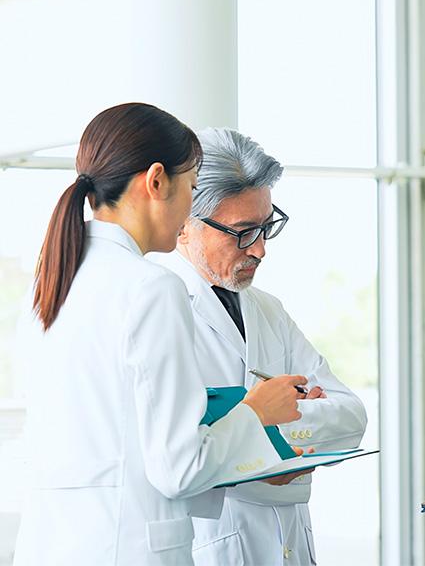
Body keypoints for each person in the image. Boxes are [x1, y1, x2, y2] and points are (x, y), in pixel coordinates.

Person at [14, 103, 307, 566]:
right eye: (191, 187)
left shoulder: (50, 282)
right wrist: (255, 412)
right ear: (156, 181)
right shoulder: (150, 286)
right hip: (130, 550)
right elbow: (180, 469)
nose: (191, 208)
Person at [149, 127, 367, 566]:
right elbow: (178, 458)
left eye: (267, 227)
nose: (261, 250)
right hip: (213, 544)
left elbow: (350, 415)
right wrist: (283, 425)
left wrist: (253, 430)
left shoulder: (267, 309)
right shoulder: (159, 307)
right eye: (243, 232)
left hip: (289, 542)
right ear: (186, 223)